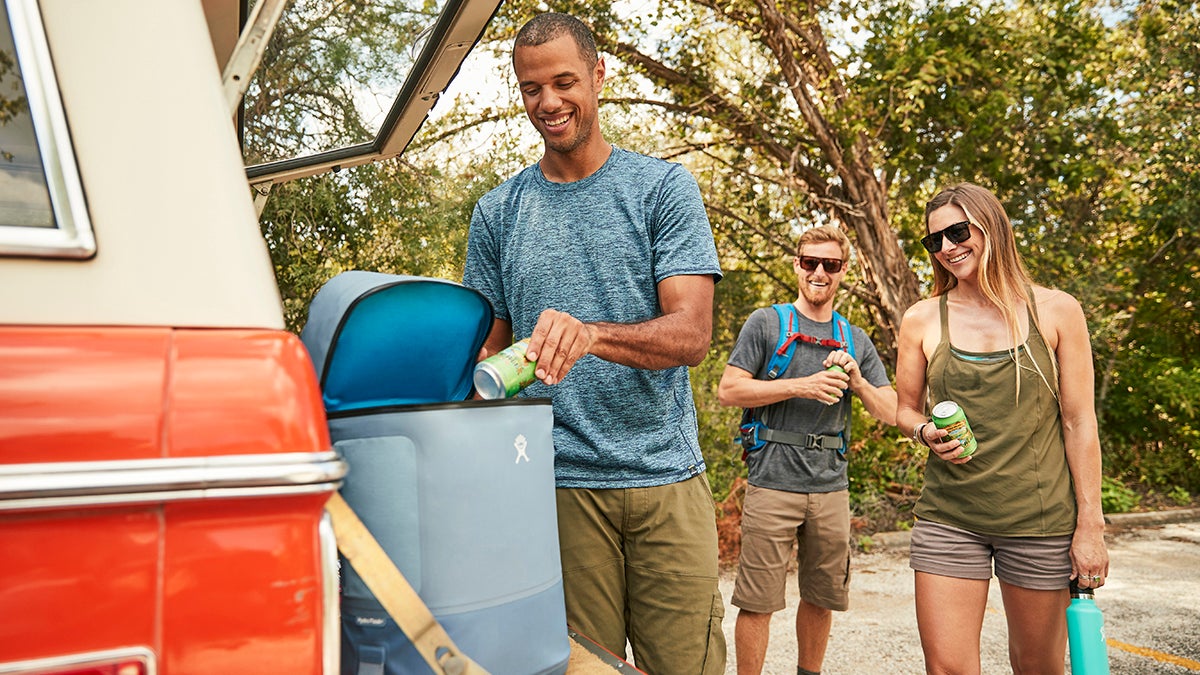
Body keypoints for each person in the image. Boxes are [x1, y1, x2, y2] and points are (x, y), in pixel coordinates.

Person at [461, 12, 726, 674]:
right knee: (581, 668)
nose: (547, 102)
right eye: (530, 89)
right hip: (560, 489)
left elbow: (692, 334)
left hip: (666, 478)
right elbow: (483, 369)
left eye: (563, 81)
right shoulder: (497, 213)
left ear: (599, 76)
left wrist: (593, 334)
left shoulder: (663, 189)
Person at [894, 182, 1109, 674]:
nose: (947, 247)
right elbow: (905, 409)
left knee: (1038, 666)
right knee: (947, 668)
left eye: (957, 231)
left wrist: (1090, 525)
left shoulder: (1056, 310)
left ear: (992, 226)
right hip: (949, 518)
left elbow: (1079, 421)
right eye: (935, 241)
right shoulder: (923, 318)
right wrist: (926, 432)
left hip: (1038, 522)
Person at [718, 225, 897, 675]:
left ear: (842, 273)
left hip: (830, 486)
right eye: (811, 262)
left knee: (821, 598)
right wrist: (803, 385)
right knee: (758, 602)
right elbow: (729, 390)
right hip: (772, 483)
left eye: (830, 265)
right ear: (797, 265)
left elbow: (891, 411)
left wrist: (857, 381)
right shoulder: (767, 323)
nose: (820, 272)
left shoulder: (854, 338)